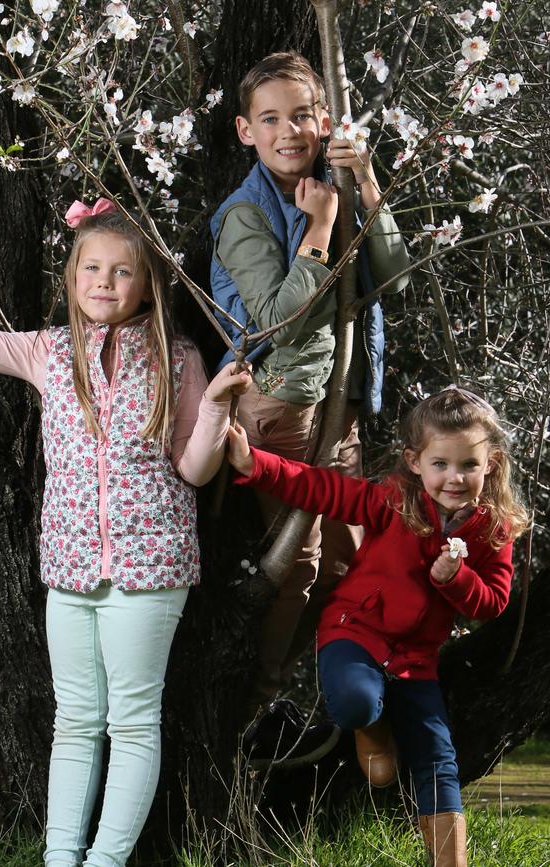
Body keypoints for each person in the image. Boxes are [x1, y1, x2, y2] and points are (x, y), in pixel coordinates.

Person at [0, 191, 250, 867]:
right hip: (71, 567)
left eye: (121, 271)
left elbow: (195, 468)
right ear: (72, 280)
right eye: (90, 270)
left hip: (149, 567)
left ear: (146, 284)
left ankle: (103, 861)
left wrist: (218, 407)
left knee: (132, 722)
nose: (104, 282)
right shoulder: (50, 351)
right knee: (73, 722)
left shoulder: (178, 357)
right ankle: (60, 858)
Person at [228, 385, 529, 867]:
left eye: (468, 466)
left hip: (416, 659)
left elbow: (493, 601)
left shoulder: (494, 528)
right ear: (415, 461)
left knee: (437, 757)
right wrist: (255, 464)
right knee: (354, 700)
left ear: (490, 464)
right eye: (441, 464)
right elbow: (322, 488)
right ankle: (370, 727)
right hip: (356, 632)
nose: (454, 478)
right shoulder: (394, 501)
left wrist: (458, 581)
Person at [209, 50, 410, 759]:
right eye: (270, 118)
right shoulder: (244, 214)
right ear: (245, 130)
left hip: (339, 406)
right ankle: (249, 711)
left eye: (302, 115)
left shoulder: (340, 183)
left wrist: (365, 184)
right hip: (282, 409)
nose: (288, 130)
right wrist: (322, 228)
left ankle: (360, 708)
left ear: (325, 120)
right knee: (296, 564)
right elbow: (276, 321)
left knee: (350, 564)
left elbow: (394, 274)